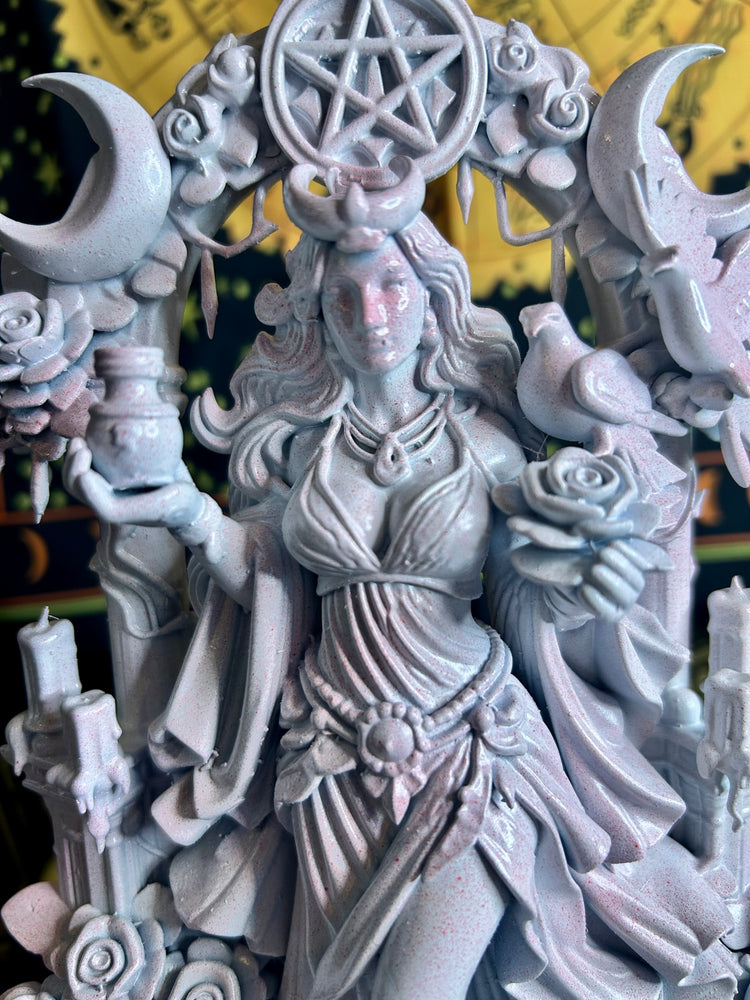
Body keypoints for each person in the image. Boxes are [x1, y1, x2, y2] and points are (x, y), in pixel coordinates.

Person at [65, 162, 739, 1000]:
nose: (372, 316)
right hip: (331, 761)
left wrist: (581, 580)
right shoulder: (302, 452)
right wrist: (185, 512)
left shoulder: (485, 445)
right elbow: (270, 583)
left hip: (474, 748)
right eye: (344, 298)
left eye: (392, 287)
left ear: (435, 298)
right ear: (318, 313)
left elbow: (524, 594)